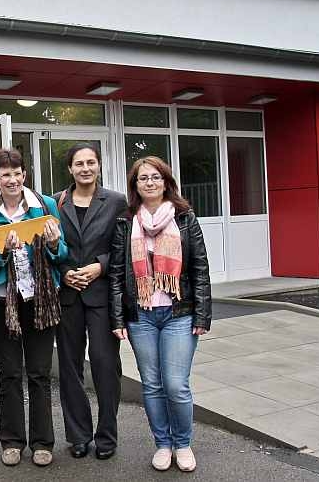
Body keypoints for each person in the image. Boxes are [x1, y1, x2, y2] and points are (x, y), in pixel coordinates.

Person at [108, 156, 211, 473]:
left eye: (155, 177)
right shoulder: (127, 222)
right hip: (141, 315)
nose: (149, 182)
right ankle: (163, 445)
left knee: (176, 384)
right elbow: (115, 274)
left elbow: (200, 267)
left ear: (166, 182)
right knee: (151, 385)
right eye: (143, 178)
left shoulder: (184, 218)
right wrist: (117, 318)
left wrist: (202, 315)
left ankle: (183, 444)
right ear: (135, 185)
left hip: (179, 313)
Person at [0, 148, 68, 468]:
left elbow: (62, 253)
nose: (11, 179)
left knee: (39, 373)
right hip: (1, 302)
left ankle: (42, 442)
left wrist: (54, 244)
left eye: (16, 173)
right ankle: (12, 441)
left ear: (24, 175)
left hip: (40, 299)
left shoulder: (45, 206)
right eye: (5, 174)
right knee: (10, 374)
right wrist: (1, 250)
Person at [52, 143, 127, 460]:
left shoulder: (116, 201)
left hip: (101, 296)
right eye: (79, 163)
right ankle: (78, 436)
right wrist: (66, 272)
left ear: (99, 165)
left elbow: (124, 247)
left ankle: (107, 437)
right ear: (69, 168)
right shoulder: (56, 201)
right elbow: (50, 246)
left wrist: (100, 266)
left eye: (91, 162)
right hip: (68, 296)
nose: (85, 168)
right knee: (69, 369)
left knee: (105, 366)